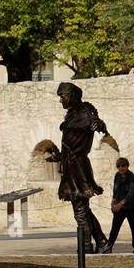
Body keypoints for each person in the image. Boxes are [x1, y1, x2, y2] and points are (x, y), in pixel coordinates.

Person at [47, 82, 109, 253]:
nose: (60, 100)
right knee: (84, 210)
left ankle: (86, 248)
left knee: (80, 211)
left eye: (63, 96)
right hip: (71, 166)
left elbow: (96, 124)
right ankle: (103, 243)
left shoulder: (84, 114)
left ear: (72, 96)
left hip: (78, 169)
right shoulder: (73, 114)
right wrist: (59, 156)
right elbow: (71, 145)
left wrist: (98, 122)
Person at [104, 157, 134, 254]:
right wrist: (113, 201)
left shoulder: (131, 177)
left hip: (132, 206)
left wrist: (120, 204)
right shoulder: (117, 175)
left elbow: (131, 194)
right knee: (115, 227)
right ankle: (109, 246)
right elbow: (116, 189)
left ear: (127, 166)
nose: (121, 168)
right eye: (119, 166)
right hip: (120, 206)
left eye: (123, 166)